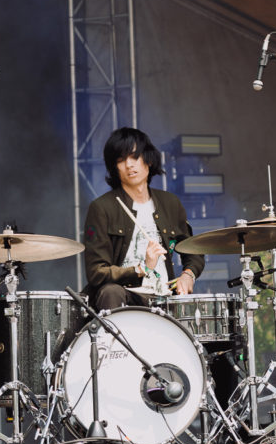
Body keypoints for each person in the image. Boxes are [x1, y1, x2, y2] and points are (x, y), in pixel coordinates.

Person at [83, 127, 205, 310]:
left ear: (148, 159)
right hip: (124, 295)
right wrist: (141, 269)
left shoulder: (170, 203)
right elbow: (96, 272)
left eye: (134, 157)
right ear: (114, 168)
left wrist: (188, 275)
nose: (129, 165)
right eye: (120, 160)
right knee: (110, 292)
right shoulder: (101, 208)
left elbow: (194, 250)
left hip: (163, 294)